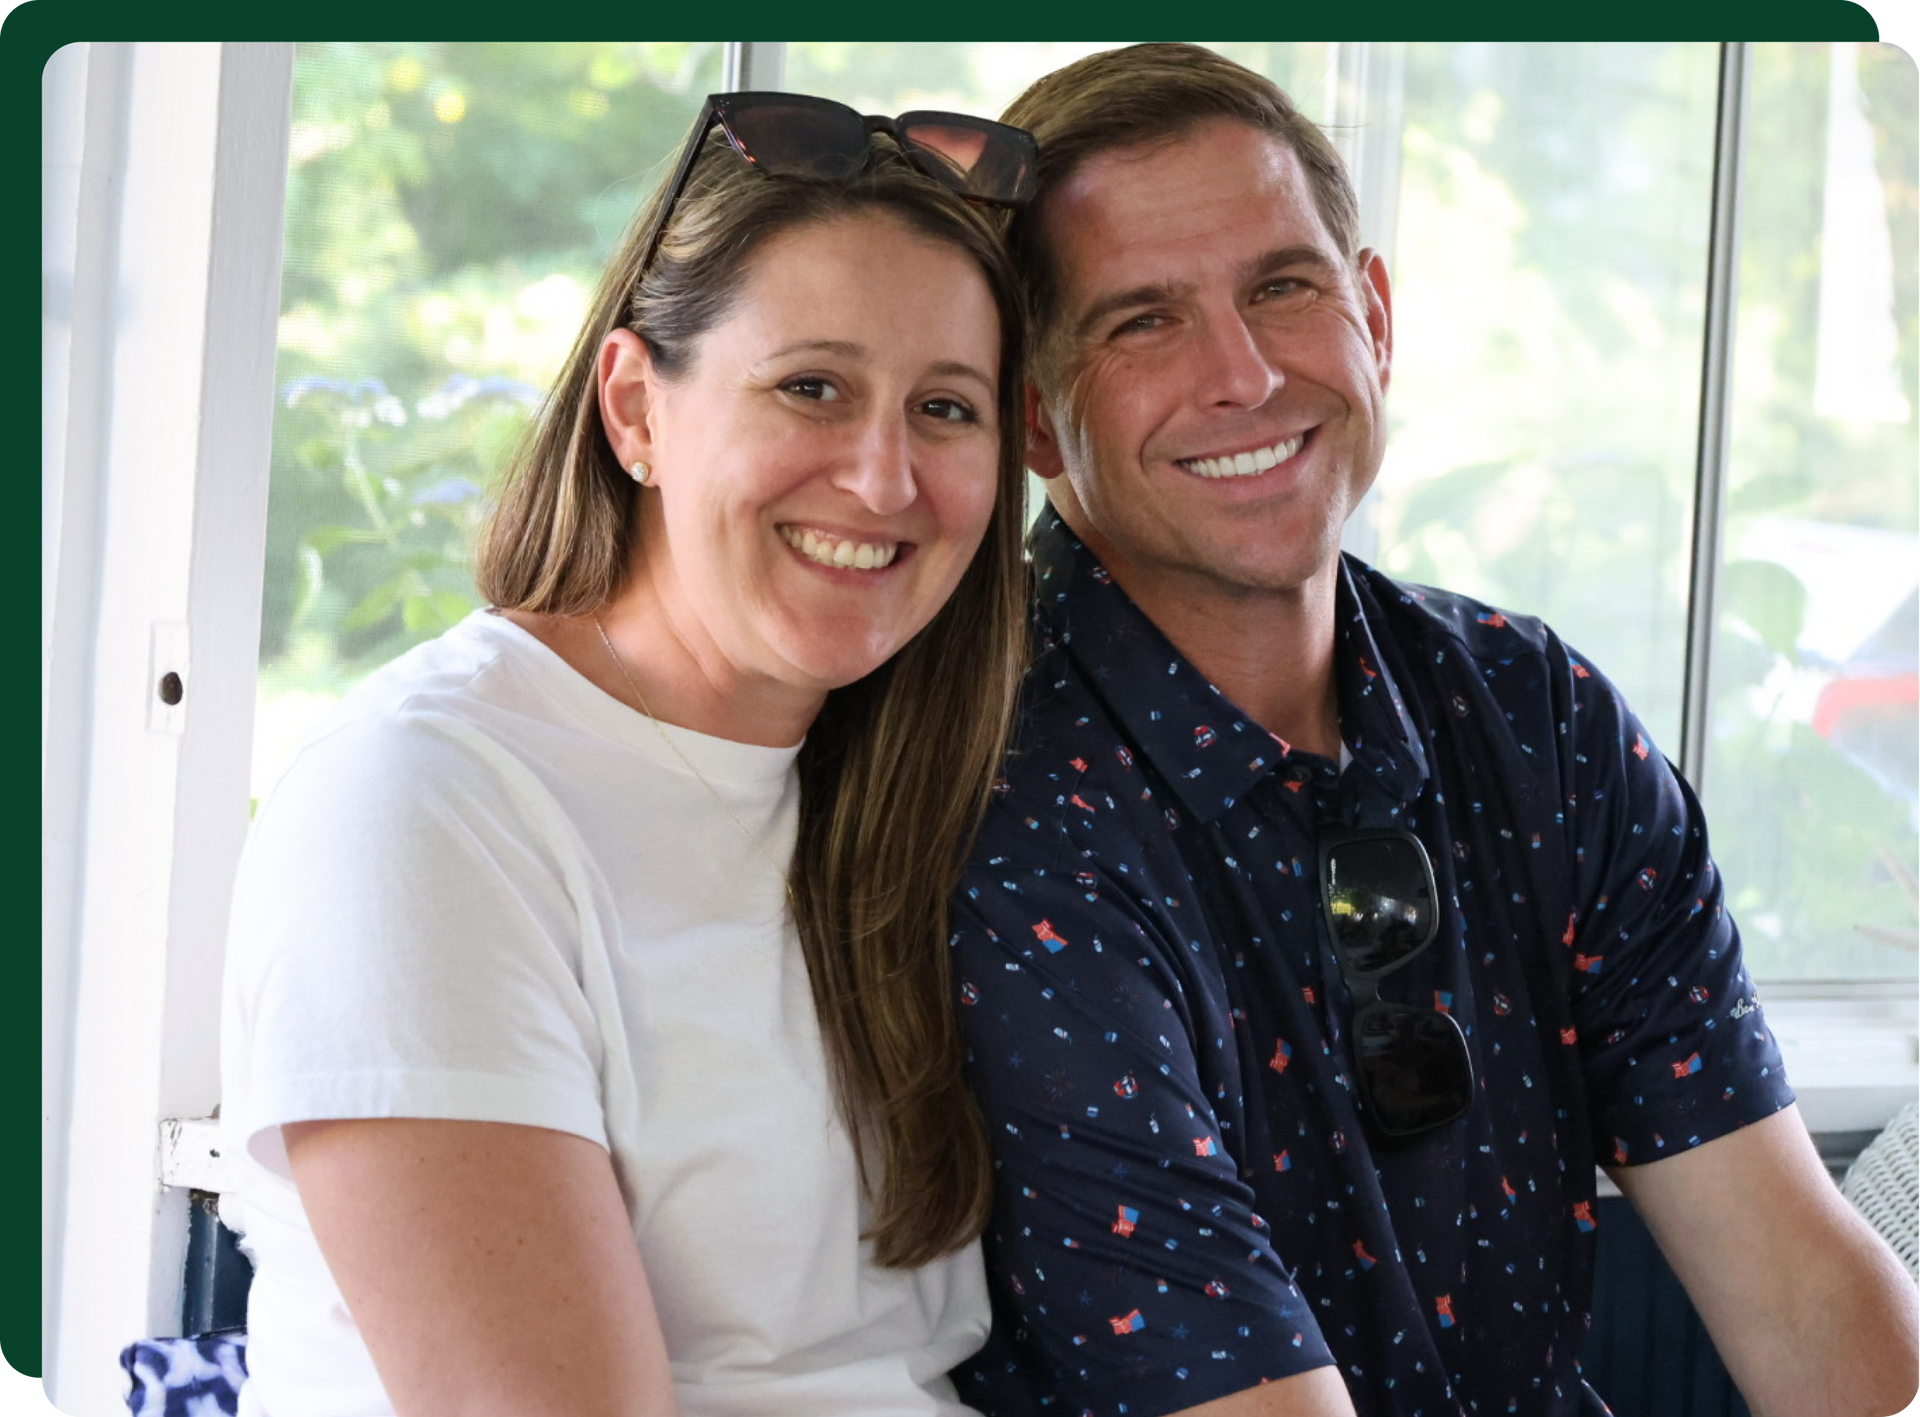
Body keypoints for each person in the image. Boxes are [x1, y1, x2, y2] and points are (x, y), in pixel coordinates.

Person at [946, 43, 1920, 1417]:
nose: (1244, 374)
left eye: (1283, 286)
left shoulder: (1543, 719)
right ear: (1037, 417)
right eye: (1141, 322)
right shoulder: (1006, 812)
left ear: (1376, 315)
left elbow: (1805, 1290)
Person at [220, 91, 1038, 1417]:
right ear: (635, 411)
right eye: (811, 387)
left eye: (945, 408)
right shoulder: (421, 804)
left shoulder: (908, 791)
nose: (885, 482)